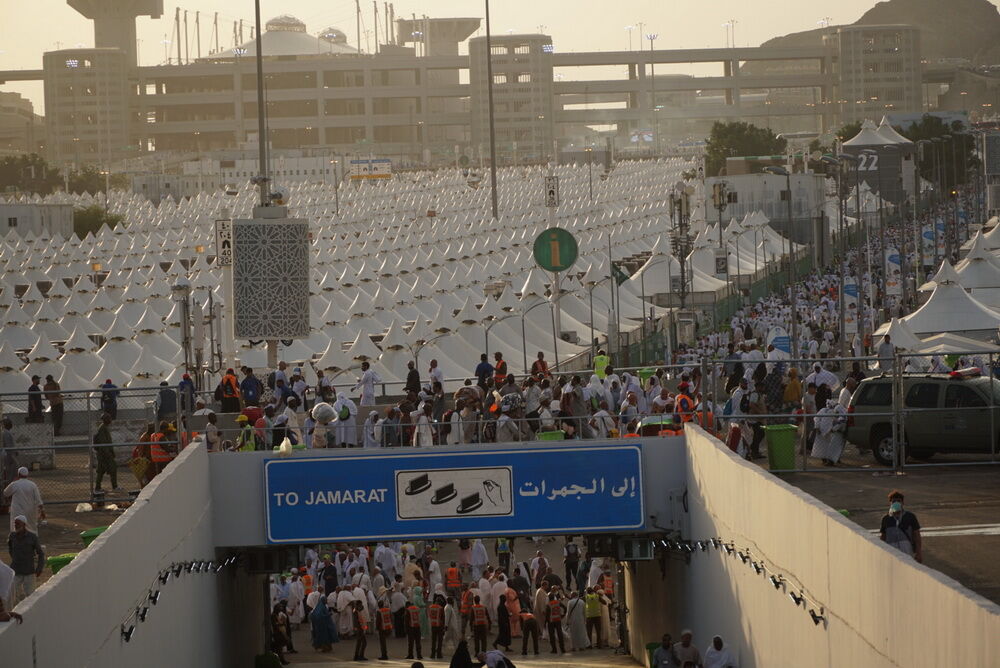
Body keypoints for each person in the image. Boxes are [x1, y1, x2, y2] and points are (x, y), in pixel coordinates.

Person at [7, 515, 44, 606]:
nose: (16, 525)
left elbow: (41, 553)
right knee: (13, 596)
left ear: (24, 524)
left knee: (31, 596)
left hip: (29, 572)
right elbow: (10, 549)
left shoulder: (32, 537)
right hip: (16, 571)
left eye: (18, 523)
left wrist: (39, 568)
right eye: (15, 524)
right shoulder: (12, 536)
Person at [880, 490, 923, 563]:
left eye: (898, 501)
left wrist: (919, 552)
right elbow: (883, 537)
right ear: (890, 503)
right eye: (894, 501)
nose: (896, 503)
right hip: (891, 552)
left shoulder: (910, 517)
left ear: (903, 503)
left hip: (907, 551)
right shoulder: (886, 519)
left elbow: (917, 535)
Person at [4, 467, 44, 533]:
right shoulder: (32, 485)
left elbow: (5, 493)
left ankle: (16, 540)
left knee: (16, 527)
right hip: (30, 510)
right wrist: (42, 511)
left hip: (17, 510)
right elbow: (38, 499)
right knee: (31, 527)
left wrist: (13, 482)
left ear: (19, 474)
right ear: (27, 475)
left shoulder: (15, 484)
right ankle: (32, 541)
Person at [93, 412, 118, 491]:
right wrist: (109, 454)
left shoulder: (104, 427)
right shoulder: (102, 429)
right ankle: (114, 486)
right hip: (104, 454)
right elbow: (103, 443)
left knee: (101, 471)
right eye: (108, 418)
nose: (110, 420)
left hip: (103, 453)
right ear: (105, 419)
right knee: (112, 468)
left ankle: (98, 487)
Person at [375, 594, 393, 660]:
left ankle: (384, 655)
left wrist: (376, 628)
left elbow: (378, 621)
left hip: (382, 628)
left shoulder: (379, 611)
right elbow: (391, 618)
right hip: (388, 627)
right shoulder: (388, 610)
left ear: (379, 606)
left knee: (383, 643)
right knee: (384, 642)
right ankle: (384, 655)